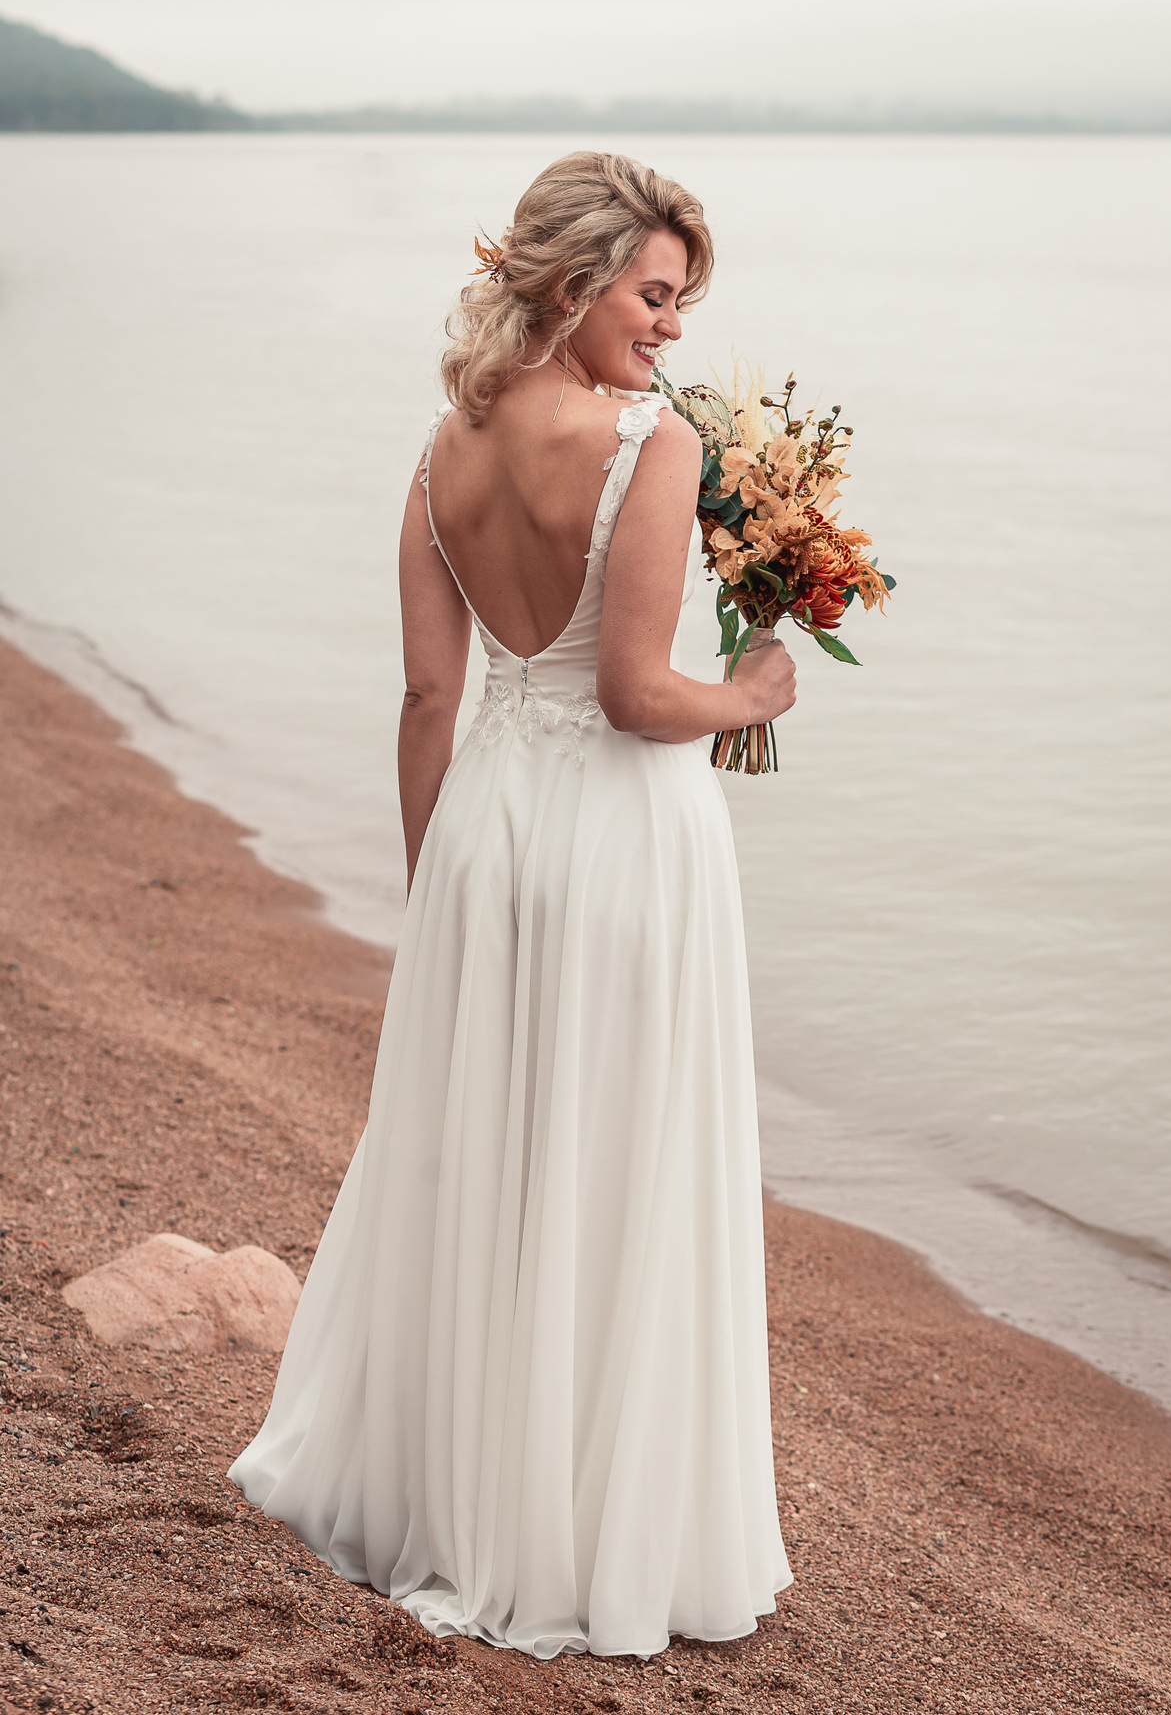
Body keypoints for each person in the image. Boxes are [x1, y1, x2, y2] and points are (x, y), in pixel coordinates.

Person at [229, 150, 796, 1660]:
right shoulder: (647, 444)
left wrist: (441, 891)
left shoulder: (443, 447)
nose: (672, 331)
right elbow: (633, 694)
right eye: (657, 296)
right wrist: (748, 686)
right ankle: (582, 1535)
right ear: (576, 282)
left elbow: (430, 692)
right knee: (613, 1161)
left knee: (485, 1160)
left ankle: (441, 1490)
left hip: (486, 826)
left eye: (681, 305)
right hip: (624, 843)